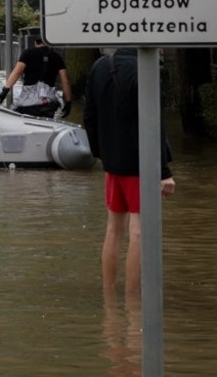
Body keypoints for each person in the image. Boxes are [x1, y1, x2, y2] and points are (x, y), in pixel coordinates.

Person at [84, 48, 176, 297]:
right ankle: (135, 303)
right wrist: (163, 171)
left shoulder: (99, 66)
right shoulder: (145, 69)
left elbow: (89, 116)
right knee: (139, 231)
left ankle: (109, 299)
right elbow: (153, 122)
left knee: (113, 230)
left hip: (112, 163)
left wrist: (101, 154)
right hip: (140, 164)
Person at [0, 38, 73, 118]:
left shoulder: (27, 53)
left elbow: (16, 72)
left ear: (35, 43)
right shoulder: (57, 57)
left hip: (28, 102)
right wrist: (68, 102)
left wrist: (5, 91)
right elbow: (65, 81)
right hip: (48, 102)